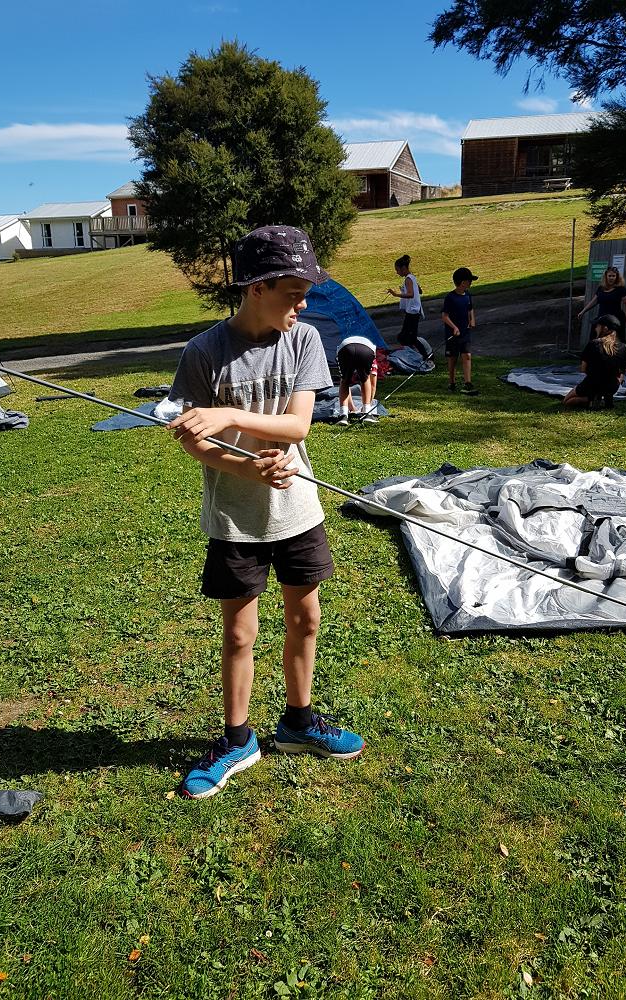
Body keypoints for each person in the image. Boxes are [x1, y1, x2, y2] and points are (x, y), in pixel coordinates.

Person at [166, 225, 365, 799]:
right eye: (293, 294)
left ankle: (298, 722)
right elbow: (195, 442)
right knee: (239, 633)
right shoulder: (204, 353)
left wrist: (229, 416)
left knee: (306, 620)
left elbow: (297, 426)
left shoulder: (303, 340)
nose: (301, 306)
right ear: (257, 288)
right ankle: (237, 739)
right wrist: (247, 468)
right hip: (236, 516)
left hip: (297, 510)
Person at [563, 314, 626, 409]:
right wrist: (617, 382)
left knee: (567, 401)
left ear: (605, 328)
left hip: (592, 383)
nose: (595, 328)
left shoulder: (593, 344)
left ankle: (591, 400)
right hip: (612, 386)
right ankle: (603, 398)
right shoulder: (624, 347)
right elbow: (623, 371)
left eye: (597, 326)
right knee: (609, 382)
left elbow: (583, 369)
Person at [442, 266, 479, 396]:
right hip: (452, 334)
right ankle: (451, 382)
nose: (471, 283)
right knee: (452, 358)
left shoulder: (467, 295)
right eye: (469, 280)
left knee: (467, 355)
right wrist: (454, 327)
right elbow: (445, 316)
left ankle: (468, 382)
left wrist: (472, 320)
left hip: (465, 333)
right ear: (463, 282)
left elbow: (470, 309)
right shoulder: (450, 298)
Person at [577, 266, 626, 341]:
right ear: (606, 276)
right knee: (595, 339)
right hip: (602, 318)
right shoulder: (601, 288)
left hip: (615, 319)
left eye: (613, 276)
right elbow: (594, 301)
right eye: (609, 276)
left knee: (614, 341)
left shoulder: (620, 289)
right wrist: (583, 311)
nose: (611, 278)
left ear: (616, 277)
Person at [335, 331, 378, 426]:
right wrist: (368, 405)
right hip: (366, 350)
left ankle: (343, 415)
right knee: (365, 379)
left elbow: (345, 384)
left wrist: (351, 409)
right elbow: (373, 385)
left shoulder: (343, 346)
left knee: (345, 380)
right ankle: (367, 413)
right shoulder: (373, 354)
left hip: (345, 348)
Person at [387, 254, 424, 355]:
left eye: (397, 270)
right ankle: (415, 354)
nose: (397, 272)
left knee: (406, 337)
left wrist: (396, 294)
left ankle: (423, 355)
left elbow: (411, 294)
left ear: (403, 268)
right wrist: (405, 289)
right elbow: (419, 291)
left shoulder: (408, 279)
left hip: (412, 311)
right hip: (413, 310)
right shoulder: (412, 277)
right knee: (406, 337)